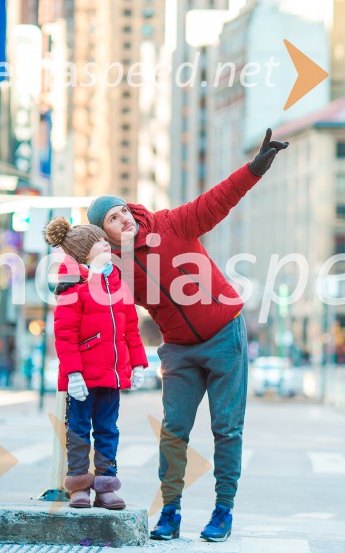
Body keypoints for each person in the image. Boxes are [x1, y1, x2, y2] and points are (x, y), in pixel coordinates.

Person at [87, 129, 288, 542]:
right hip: (178, 349)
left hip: (224, 336)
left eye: (123, 211)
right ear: (103, 234)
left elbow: (217, 200)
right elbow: (94, 292)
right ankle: (172, 512)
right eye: (113, 218)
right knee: (174, 430)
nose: (123, 219)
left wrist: (254, 169)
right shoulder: (115, 267)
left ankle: (223, 511)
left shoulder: (171, 224)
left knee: (226, 429)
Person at [44, 217, 148, 510]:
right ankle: (78, 485)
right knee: (77, 431)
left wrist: (137, 364)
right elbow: (64, 336)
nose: (107, 243)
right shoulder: (71, 287)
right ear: (84, 251)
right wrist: (73, 373)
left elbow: (130, 329)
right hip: (82, 378)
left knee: (108, 430)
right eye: (100, 240)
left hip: (111, 377)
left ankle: (106, 485)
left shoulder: (117, 282)